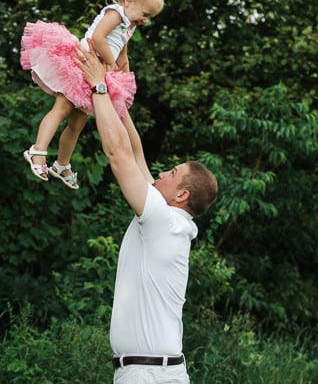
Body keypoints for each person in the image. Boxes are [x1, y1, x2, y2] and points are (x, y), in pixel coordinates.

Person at [75, 39, 218, 383]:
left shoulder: (162, 220)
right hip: (159, 371)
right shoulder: (169, 220)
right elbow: (135, 150)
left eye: (170, 174)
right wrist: (115, 93)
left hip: (146, 374)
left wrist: (97, 87)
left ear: (182, 194)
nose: (159, 173)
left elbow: (119, 154)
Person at [21, 0, 165, 189]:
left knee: (77, 124)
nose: (145, 20)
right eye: (145, 14)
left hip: (93, 75)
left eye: (149, 17)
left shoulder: (129, 23)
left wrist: (122, 64)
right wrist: (110, 62)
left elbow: (122, 46)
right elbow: (97, 37)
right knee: (61, 109)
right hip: (81, 64)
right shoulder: (115, 13)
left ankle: (61, 164)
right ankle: (37, 151)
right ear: (129, 1)